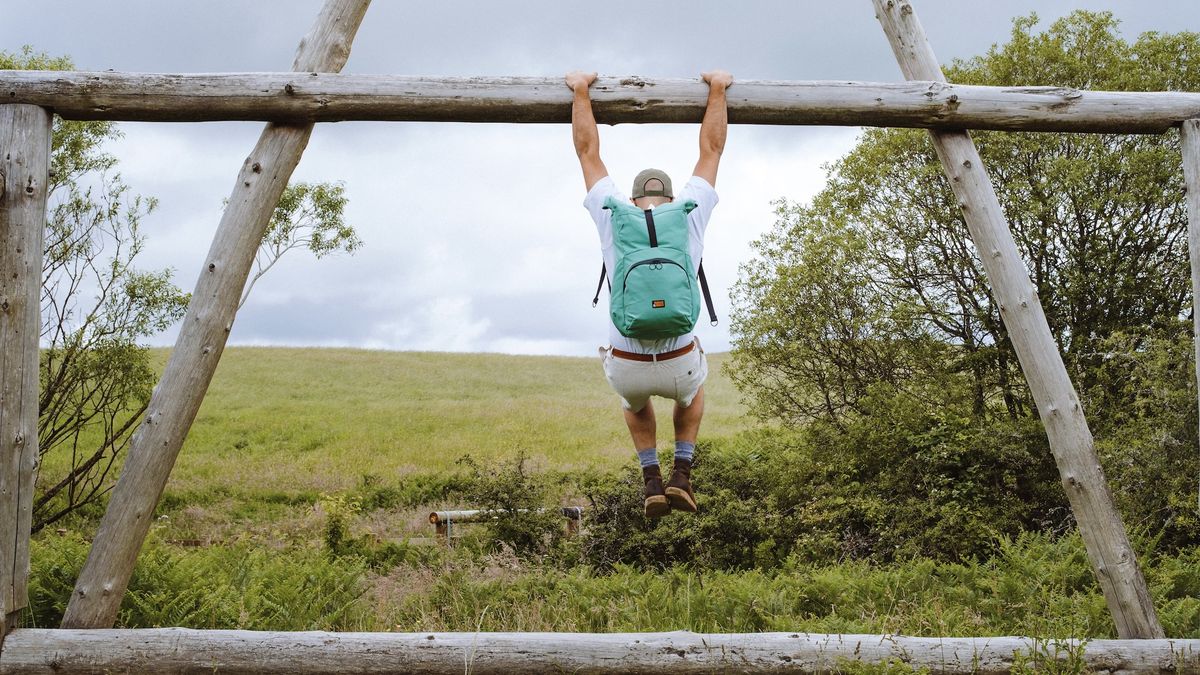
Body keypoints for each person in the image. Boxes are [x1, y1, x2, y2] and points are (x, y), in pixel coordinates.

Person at [566, 69, 732, 518]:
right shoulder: (692, 212)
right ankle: (682, 473)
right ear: (672, 196)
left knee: (633, 401)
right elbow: (712, 148)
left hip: (628, 362)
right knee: (693, 391)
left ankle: (651, 481)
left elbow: (587, 151)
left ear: (635, 197)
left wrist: (581, 90)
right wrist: (717, 89)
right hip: (678, 359)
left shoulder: (611, 213)